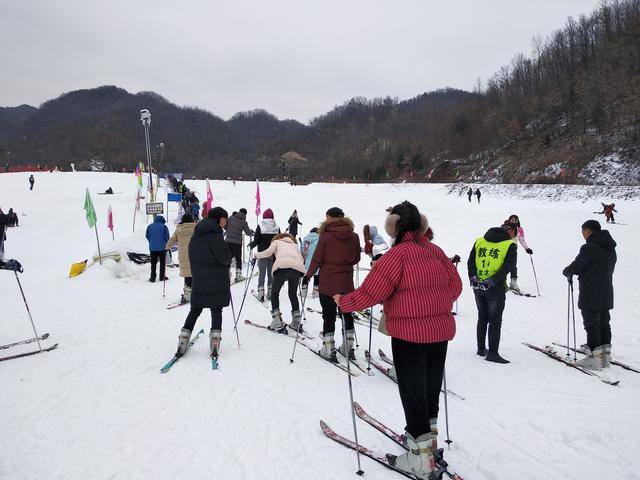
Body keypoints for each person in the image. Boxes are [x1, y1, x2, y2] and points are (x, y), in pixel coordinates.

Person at [335, 201, 462, 479]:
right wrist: (434, 304)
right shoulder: (435, 251)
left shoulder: (397, 256)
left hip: (409, 336)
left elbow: (371, 293)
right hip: (440, 333)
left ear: (394, 228)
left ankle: (420, 457)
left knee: (413, 392)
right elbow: (455, 287)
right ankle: (429, 442)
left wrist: (344, 302)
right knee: (429, 388)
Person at [305, 207, 361, 362]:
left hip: (328, 283)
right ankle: (348, 347)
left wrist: (307, 276)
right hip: (346, 283)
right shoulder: (354, 236)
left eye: (327, 217)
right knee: (347, 314)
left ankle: (328, 348)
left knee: (328, 315)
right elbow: (356, 259)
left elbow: (317, 259)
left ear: (330, 218)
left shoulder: (326, 236)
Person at [176, 207, 232, 359]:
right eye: (224, 219)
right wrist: (229, 253)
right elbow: (225, 258)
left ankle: (183, 339)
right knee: (216, 310)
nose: (225, 222)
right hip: (217, 280)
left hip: (199, 280)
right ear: (219, 219)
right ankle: (215, 340)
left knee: (195, 310)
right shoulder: (215, 236)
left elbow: (192, 255)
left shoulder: (197, 235)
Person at [562, 220, 617, 370]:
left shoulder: (589, 248)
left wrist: (567, 271)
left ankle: (594, 358)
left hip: (591, 292)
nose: (583, 235)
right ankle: (605, 356)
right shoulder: (610, 247)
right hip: (606, 290)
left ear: (588, 231)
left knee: (592, 325)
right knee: (604, 323)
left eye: (583, 232)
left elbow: (578, 265)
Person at [467, 222, 518, 364]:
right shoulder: (509, 245)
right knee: (495, 321)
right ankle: (493, 353)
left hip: (477, 286)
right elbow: (508, 266)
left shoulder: (479, 241)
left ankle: (481, 348)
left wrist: (473, 278)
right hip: (494, 288)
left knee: (482, 317)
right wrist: (492, 281)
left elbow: (471, 262)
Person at [254, 233, 306, 333]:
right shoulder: (294, 245)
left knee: (274, 293)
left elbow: (268, 253)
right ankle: (296, 321)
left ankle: (277, 320)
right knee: (293, 294)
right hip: (296, 269)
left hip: (281, 268)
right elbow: (302, 259)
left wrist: (257, 254)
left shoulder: (276, 242)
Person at [249, 208, 280, 301]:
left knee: (262, 274)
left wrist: (251, 245)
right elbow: (279, 241)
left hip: (262, 254)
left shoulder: (260, 226)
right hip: (273, 255)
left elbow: (256, 240)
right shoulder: (277, 227)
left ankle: (261, 293)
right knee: (271, 274)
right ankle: (270, 293)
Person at [166, 213, 196, 304]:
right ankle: (195, 293)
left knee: (187, 275)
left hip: (183, 256)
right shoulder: (196, 228)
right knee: (195, 274)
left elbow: (171, 240)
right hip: (195, 255)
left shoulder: (178, 230)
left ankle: (187, 294)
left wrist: (167, 247)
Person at [225, 208, 254, 282]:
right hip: (237, 243)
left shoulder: (231, 218)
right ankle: (238, 276)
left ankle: (226, 275)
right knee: (238, 259)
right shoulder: (243, 222)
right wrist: (252, 232)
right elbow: (247, 232)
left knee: (228, 258)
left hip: (228, 241)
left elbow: (225, 226)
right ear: (245, 214)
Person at [145, 215, 170, 283]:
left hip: (152, 248)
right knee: (162, 263)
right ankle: (162, 277)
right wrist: (166, 244)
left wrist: (152, 241)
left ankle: (152, 278)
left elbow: (147, 235)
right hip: (162, 248)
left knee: (153, 263)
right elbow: (167, 237)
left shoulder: (150, 226)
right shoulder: (164, 227)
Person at [300, 227, 320, 298]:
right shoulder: (319, 239)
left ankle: (304, 291)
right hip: (317, 261)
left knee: (306, 276)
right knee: (317, 276)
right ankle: (316, 292)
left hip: (307, 261)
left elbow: (302, 252)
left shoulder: (305, 240)